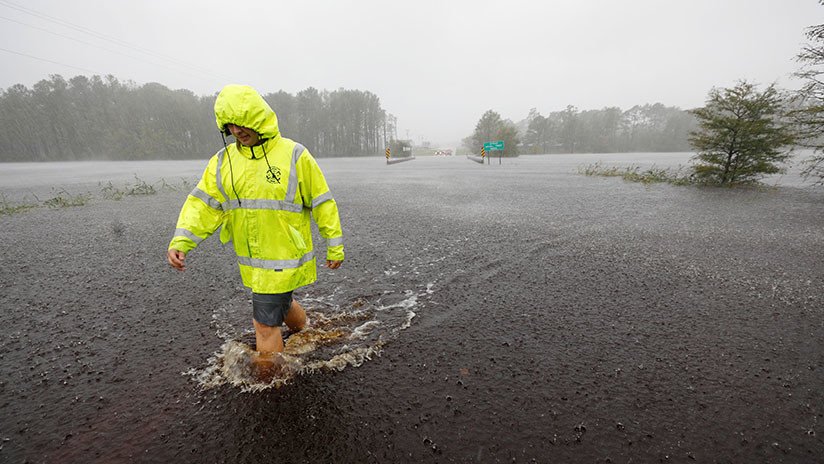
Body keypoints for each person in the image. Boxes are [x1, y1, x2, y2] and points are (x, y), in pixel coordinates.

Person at [166, 84, 344, 371]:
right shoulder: (224, 162)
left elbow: (322, 201)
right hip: (255, 262)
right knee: (280, 305)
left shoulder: (294, 155)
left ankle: (271, 383)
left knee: (263, 323)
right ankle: (307, 332)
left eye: (241, 123)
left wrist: (334, 244)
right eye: (229, 126)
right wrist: (181, 241)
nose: (236, 131)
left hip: (283, 256)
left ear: (258, 118)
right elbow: (204, 204)